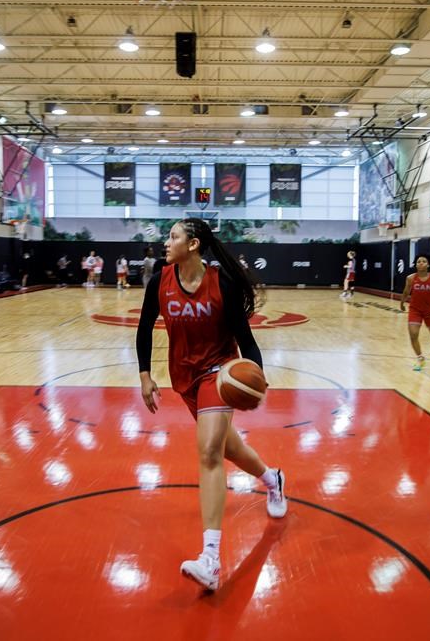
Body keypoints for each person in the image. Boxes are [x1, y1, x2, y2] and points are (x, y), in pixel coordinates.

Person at [136, 218, 286, 592]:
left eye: (173, 236)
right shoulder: (160, 282)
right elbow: (143, 328)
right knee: (228, 448)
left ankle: (211, 560)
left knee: (208, 454)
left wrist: (257, 377)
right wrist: (144, 375)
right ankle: (273, 479)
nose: (166, 242)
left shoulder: (223, 283)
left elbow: (246, 339)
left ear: (194, 244)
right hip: (183, 377)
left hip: (218, 375)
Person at [399, 253, 430, 371]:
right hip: (415, 310)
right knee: (413, 334)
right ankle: (420, 358)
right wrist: (402, 302)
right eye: (418, 261)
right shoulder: (411, 278)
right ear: (415, 265)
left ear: (428, 264)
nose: (421, 263)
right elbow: (406, 292)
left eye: (423, 261)